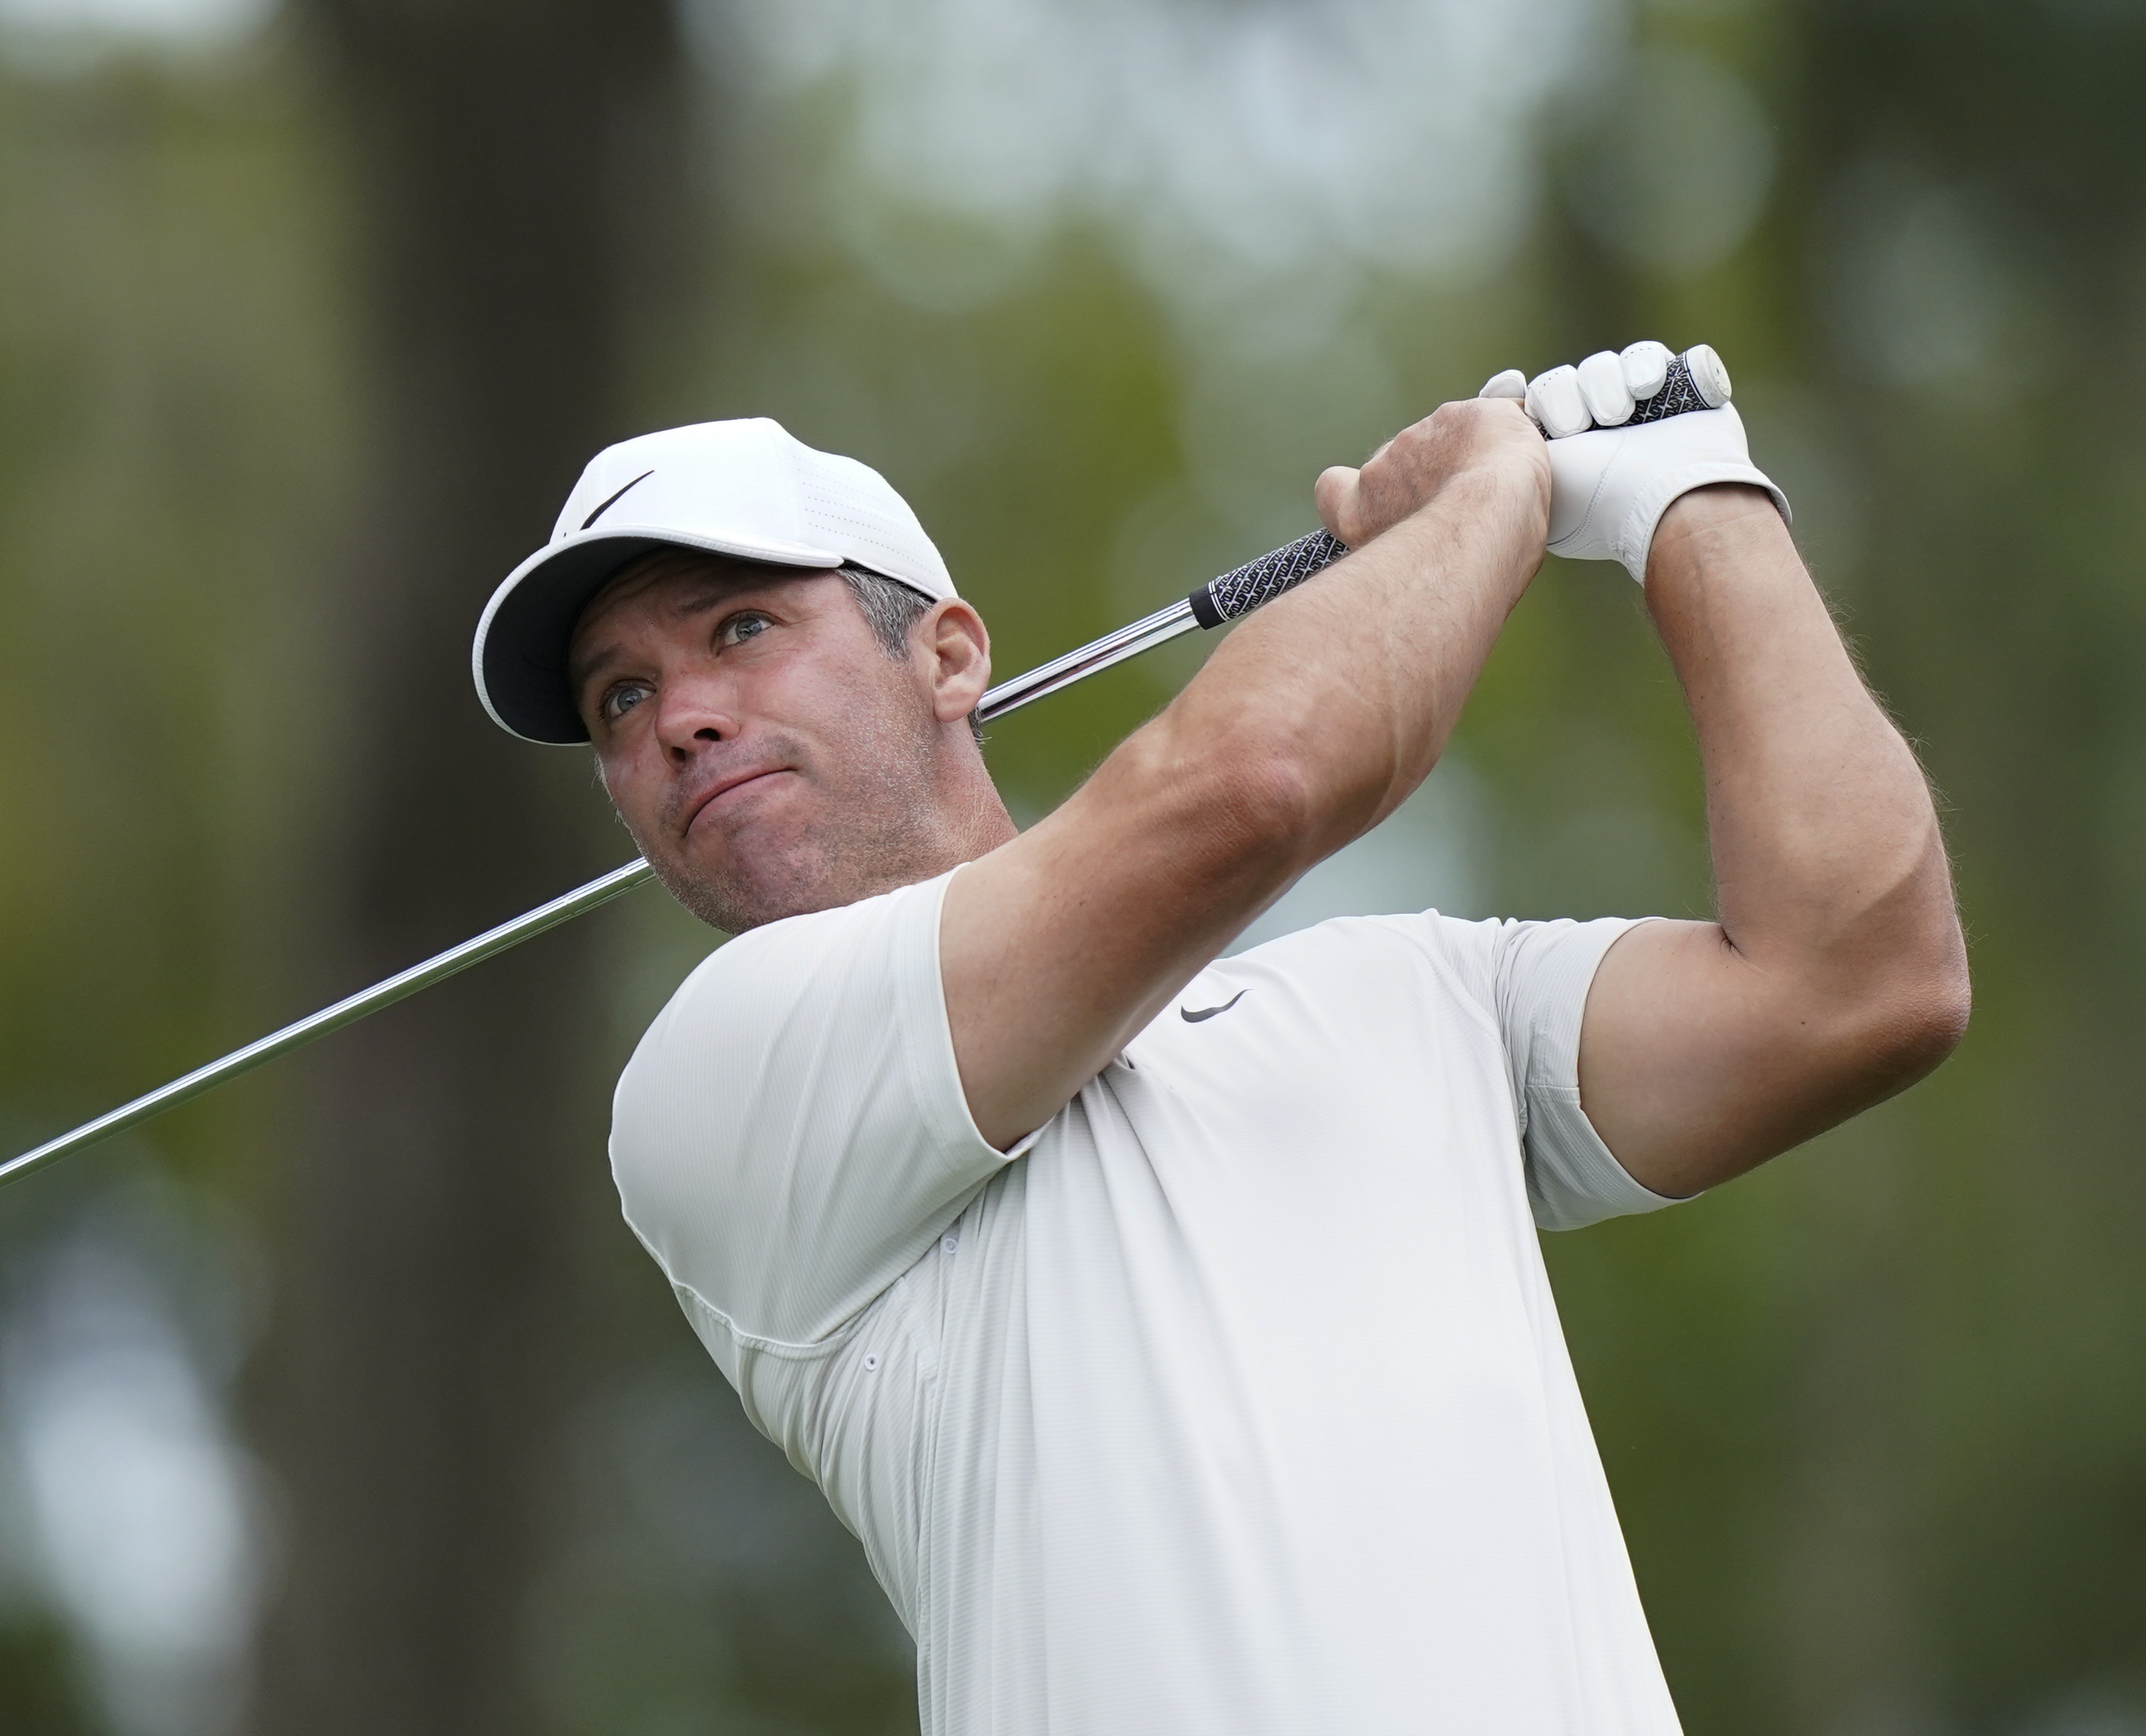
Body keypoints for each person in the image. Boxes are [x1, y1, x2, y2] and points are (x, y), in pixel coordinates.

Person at [468, 346, 1968, 1735]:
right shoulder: (717, 1083)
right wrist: (1495, 493)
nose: (681, 719)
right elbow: (1253, 782)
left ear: (946, 656)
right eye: (624, 695)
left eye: (742, 628)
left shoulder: (1416, 999)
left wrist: (1692, 496)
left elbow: (1855, 981)